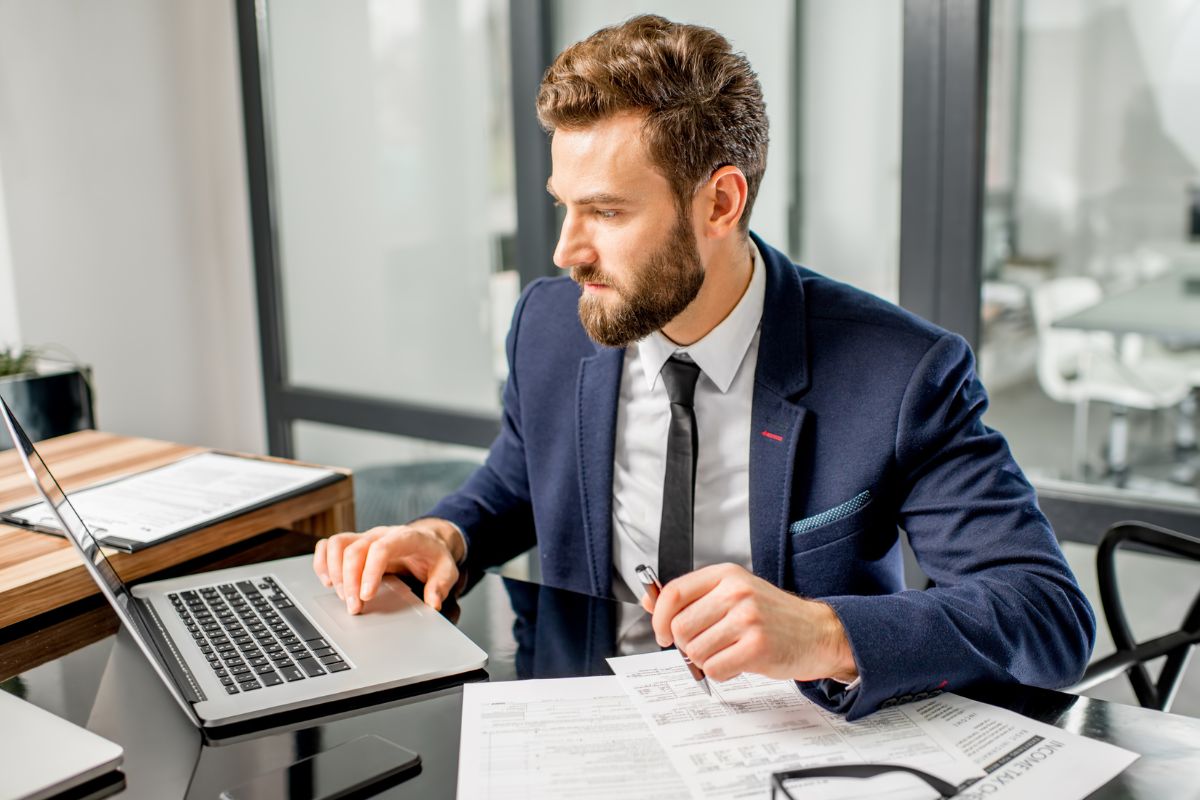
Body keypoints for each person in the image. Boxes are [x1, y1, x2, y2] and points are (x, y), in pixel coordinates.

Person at [313, 14, 1094, 719]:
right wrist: (445, 533)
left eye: (608, 212)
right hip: (582, 717)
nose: (565, 252)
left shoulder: (901, 373)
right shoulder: (551, 326)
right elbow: (519, 478)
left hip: (796, 741)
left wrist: (823, 632)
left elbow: (1047, 617)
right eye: (564, 205)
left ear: (720, 203)